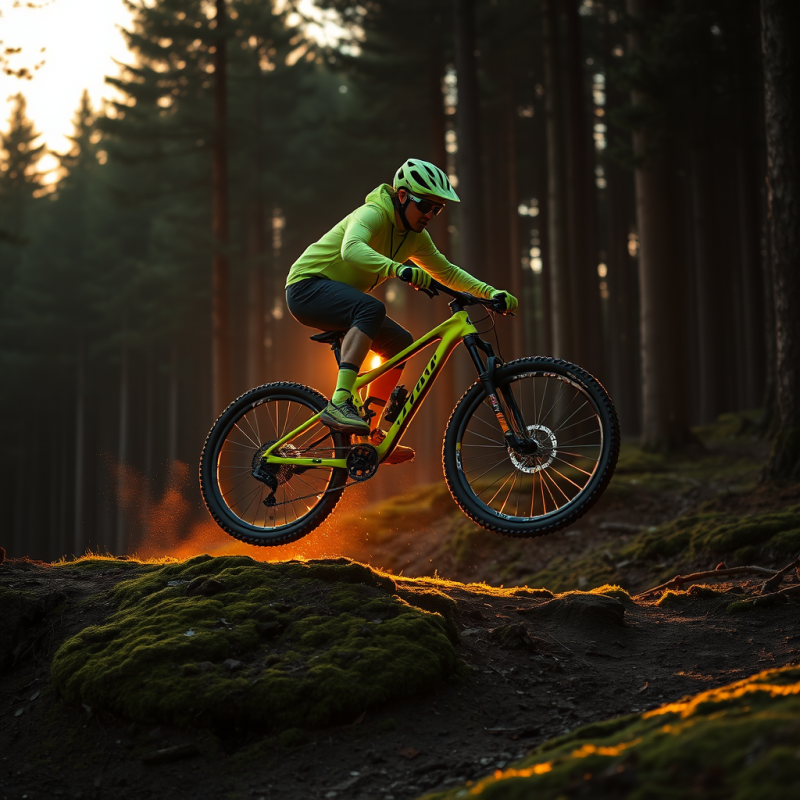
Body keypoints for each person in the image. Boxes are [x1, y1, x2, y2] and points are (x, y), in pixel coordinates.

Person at [285, 158, 518, 464]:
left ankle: (369, 428)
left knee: (400, 343)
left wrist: (490, 293)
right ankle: (340, 401)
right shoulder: (374, 213)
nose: (431, 215)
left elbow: (446, 272)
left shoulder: (416, 238)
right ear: (404, 196)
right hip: (306, 287)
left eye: (438, 209)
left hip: (339, 298)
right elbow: (351, 248)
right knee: (371, 308)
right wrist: (399, 269)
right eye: (426, 206)